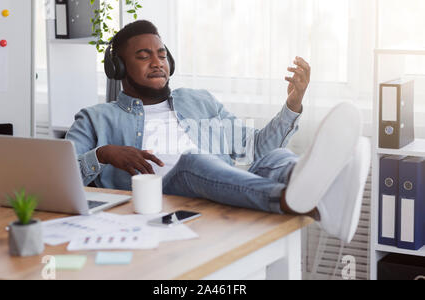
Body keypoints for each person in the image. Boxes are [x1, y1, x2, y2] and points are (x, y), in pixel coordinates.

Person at [66, 20, 370, 243]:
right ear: (118, 67)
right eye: (144, 56)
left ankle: (318, 196)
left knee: (275, 157)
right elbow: (62, 179)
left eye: (161, 55)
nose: (157, 63)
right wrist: (103, 154)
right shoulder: (96, 118)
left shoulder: (200, 100)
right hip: (167, 196)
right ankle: (299, 200)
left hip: (220, 185)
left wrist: (292, 103)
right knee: (193, 161)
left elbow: (255, 148)